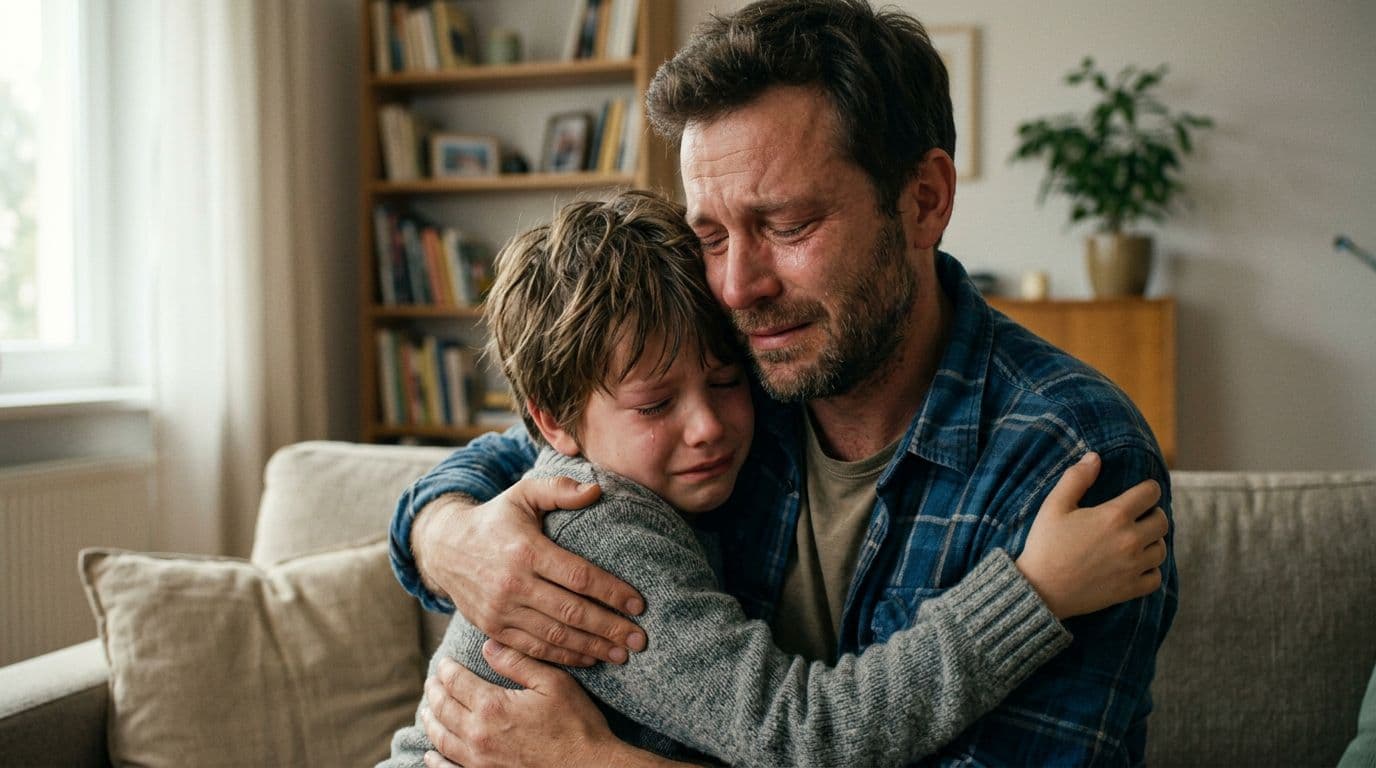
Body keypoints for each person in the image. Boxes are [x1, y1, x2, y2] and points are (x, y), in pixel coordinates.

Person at [390, 0, 1178, 764]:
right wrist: (453, 539)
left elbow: (806, 734)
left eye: (787, 225)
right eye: (712, 234)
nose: (735, 287)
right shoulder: (742, 367)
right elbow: (517, 454)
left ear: (924, 201)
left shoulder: (1070, 462)